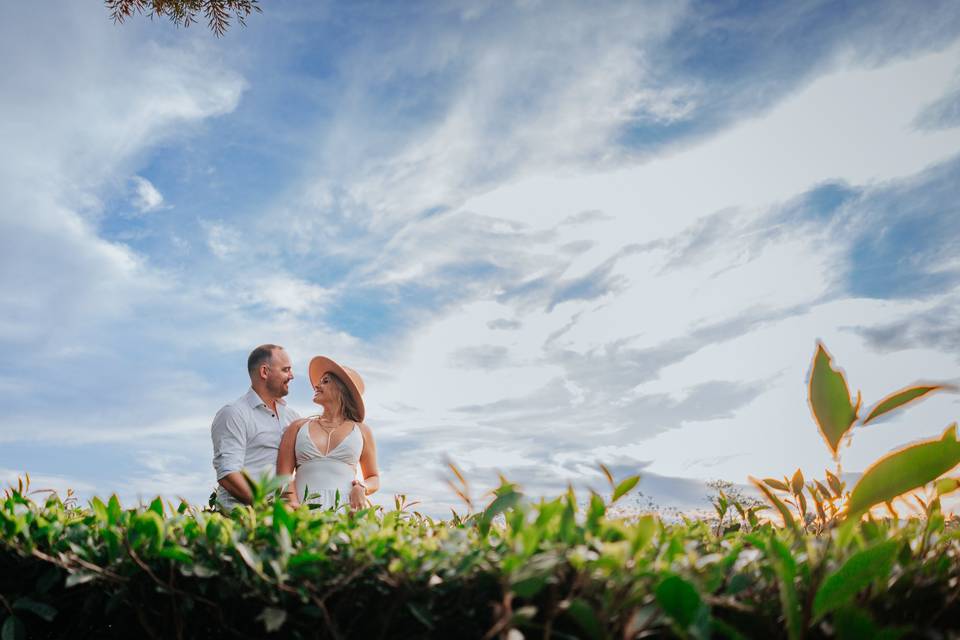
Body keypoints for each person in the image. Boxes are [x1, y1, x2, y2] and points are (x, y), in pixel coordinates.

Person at [277, 355, 380, 509]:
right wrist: (294, 505)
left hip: (346, 511)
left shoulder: (362, 431)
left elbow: (373, 478)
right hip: (303, 510)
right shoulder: (297, 427)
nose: (317, 386)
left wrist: (362, 487)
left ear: (342, 390)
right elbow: (283, 476)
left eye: (325, 381)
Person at [210, 344, 301, 509]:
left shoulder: (293, 417)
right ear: (264, 372)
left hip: (281, 521)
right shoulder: (234, 413)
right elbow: (228, 474)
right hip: (240, 520)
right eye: (286, 370)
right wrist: (265, 508)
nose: (292, 375)